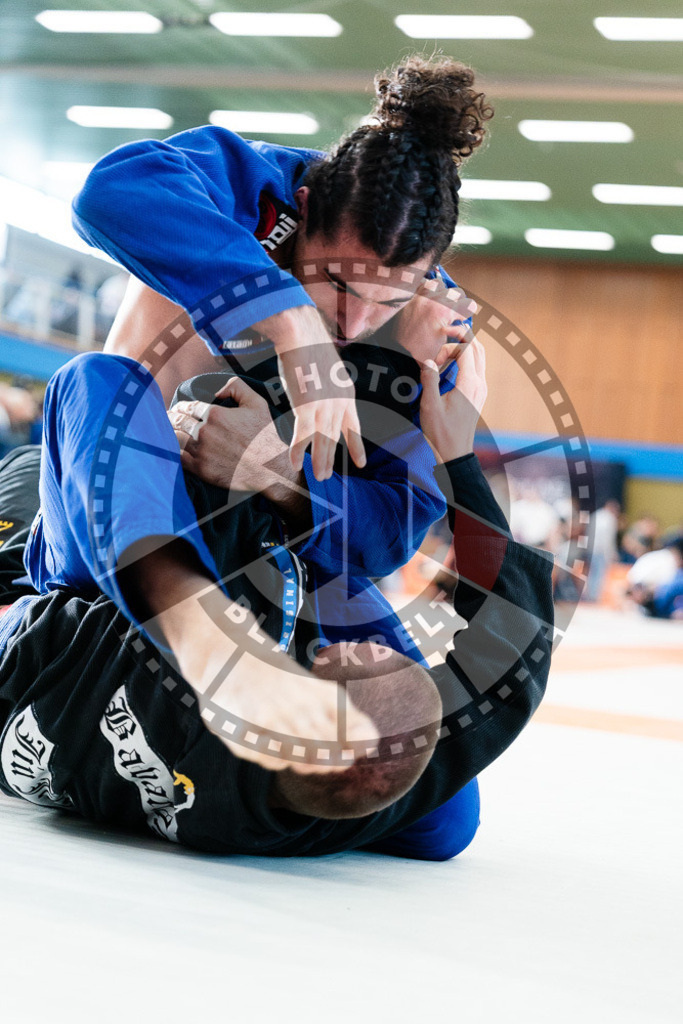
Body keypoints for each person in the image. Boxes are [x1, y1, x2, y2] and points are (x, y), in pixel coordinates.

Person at [0, 342, 555, 857]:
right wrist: (456, 456)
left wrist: (265, 461)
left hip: (97, 583)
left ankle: (20, 520)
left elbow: (201, 444)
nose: (373, 644)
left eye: (359, 655)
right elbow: (516, 655)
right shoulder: (314, 813)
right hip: (98, 728)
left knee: (103, 382)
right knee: (443, 821)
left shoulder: (228, 626)